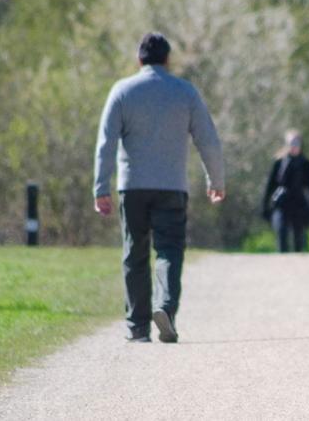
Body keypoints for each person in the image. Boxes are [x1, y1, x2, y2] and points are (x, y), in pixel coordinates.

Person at [93, 32, 226, 344]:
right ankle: (164, 307)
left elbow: (106, 143)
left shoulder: (122, 91)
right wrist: (216, 181)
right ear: (168, 60)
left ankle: (137, 327)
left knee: (134, 253)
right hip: (171, 187)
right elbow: (208, 139)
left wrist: (101, 187)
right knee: (169, 250)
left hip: (133, 186)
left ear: (139, 59)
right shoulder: (185, 92)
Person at [262, 130, 309, 253]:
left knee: (299, 238)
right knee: (281, 232)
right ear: (286, 144)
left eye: (296, 142)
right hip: (282, 204)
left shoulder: (306, 164)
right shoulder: (279, 163)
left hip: (299, 204)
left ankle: (297, 267)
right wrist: (265, 206)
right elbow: (270, 185)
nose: (294, 145)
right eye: (291, 143)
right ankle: (282, 264)